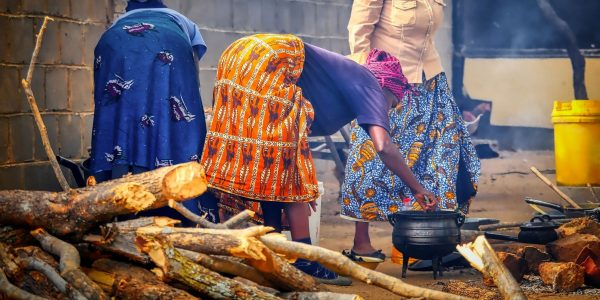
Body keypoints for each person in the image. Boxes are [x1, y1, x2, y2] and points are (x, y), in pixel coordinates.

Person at [199, 33, 436, 285]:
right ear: (388, 88)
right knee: (294, 170)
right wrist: (418, 189)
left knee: (272, 164)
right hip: (275, 58)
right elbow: (384, 146)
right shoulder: (372, 85)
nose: (386, 111)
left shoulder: (340, 79)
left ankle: (271, 249)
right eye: (392, 104)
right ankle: (305, 260)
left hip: (240, 54)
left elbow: (280, 155)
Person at [340, 0, 481, 263]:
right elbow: (359, 30)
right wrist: (367, 82)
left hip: (430, 82)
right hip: (388, 84)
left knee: (440, 156)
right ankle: (362, 243)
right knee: (372, 159)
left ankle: (423, 240)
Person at [89, 0, 208, 224]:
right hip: (171, 42)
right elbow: (192, 78)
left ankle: (116, 199)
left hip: (112, 44)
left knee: (118, 114)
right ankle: (184, 208)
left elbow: (102, 93)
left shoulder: (116, 25)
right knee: (178, 117)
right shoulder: (184, 23)